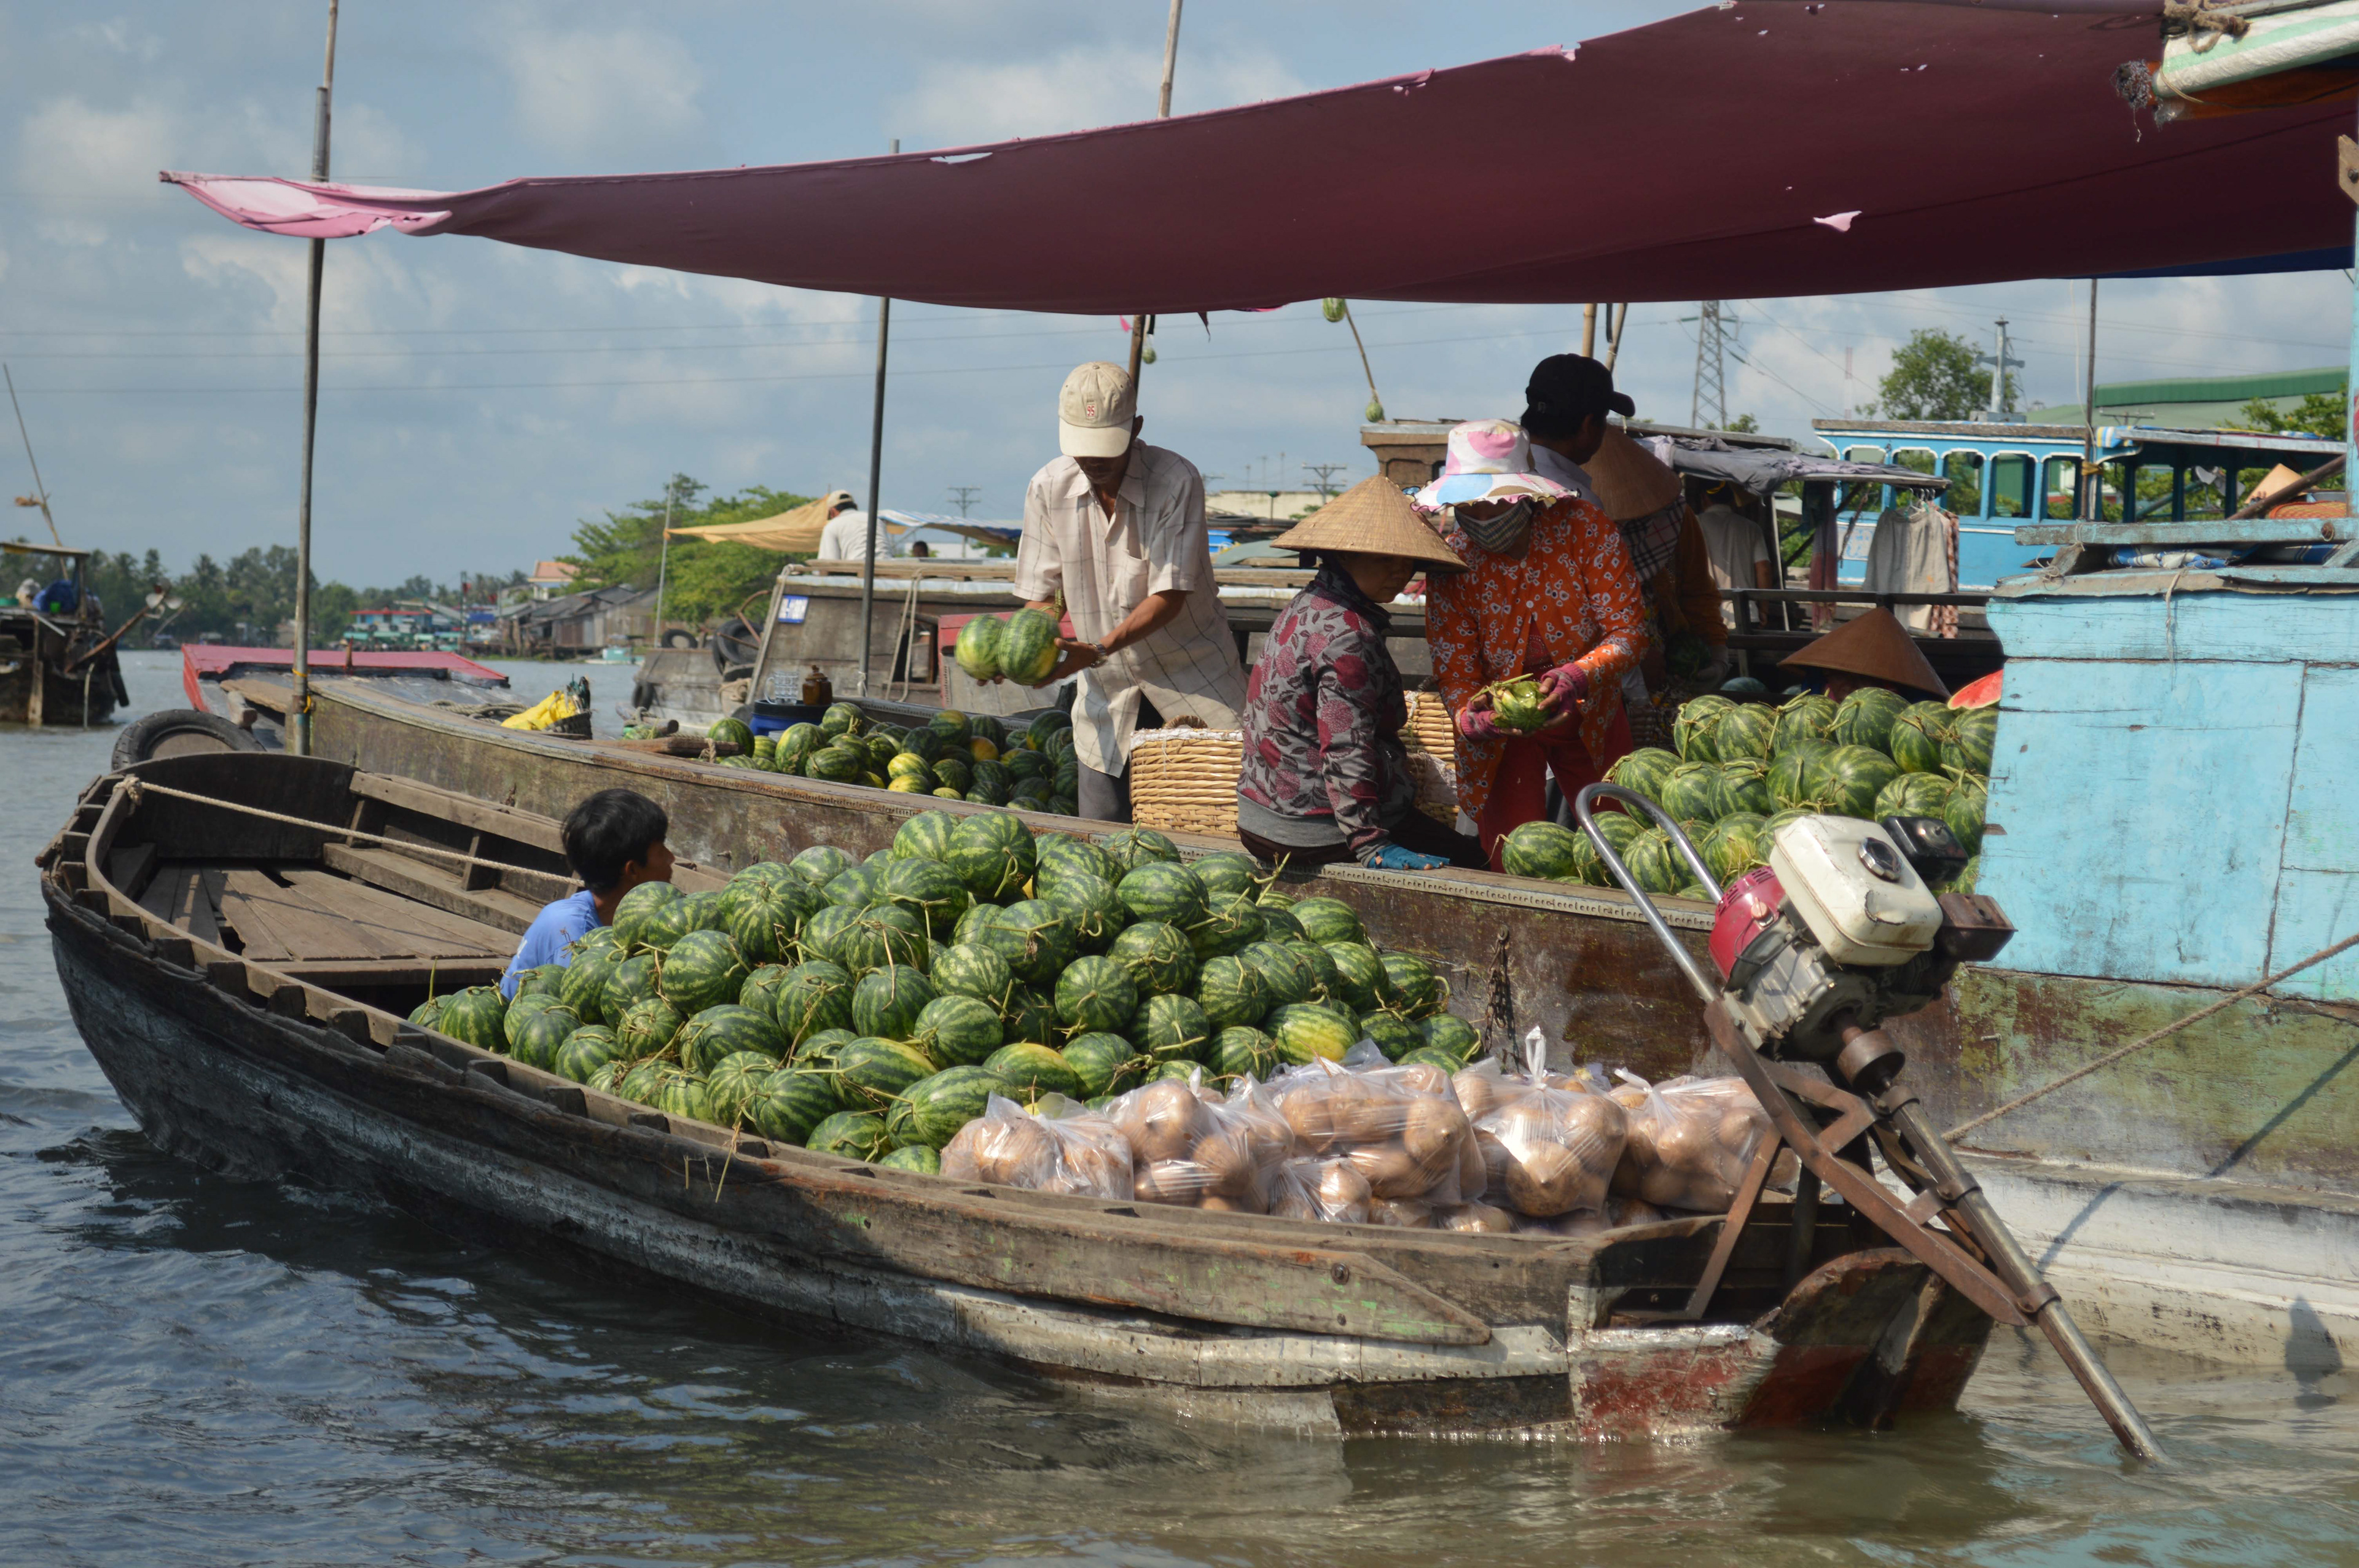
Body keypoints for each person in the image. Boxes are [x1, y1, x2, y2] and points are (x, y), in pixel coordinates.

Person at [1012, 361, 1247, 822]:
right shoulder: (1047, 488)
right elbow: (1043, 597)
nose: (1094, 460)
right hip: (1108, 697)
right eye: (1083, 448)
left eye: (1106, 448)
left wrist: (1096, 648)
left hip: (1193, 686)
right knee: (1101, 848)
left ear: (1136, 427)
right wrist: (1020, 656)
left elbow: (1169, 595)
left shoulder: (1176, 482)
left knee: (1205, 839)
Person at [1420, 416, 1648, 868]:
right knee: (1513, 854)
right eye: (1470, 504)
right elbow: (1456, 668)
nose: (1482, 516)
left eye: (1496, 502)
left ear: (1526, 494)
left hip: (1592, 709)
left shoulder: (1586, 529)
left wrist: (1576, 675)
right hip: (1502, 729)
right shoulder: (1454, 561)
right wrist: (1468, 716)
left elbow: (1628, 631)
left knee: (1620, 845)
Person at [1236, 476, 1486, 871]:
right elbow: (1345, 747)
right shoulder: (1350, 635)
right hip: (1313, 829)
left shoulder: (1307, 604)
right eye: (1385, 558)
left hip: (1259, 819)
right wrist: (1369, 843)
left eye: (1407, 561)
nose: (1400, 572)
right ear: (1346, 555)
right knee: (1477, 865)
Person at [498, 788, 675, 997]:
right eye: (661, 849)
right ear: (633, 870)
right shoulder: (572, 935)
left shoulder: (626, 921)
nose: (671, 858)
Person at [1778, 605, 1949, 703]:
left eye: (1863, 677)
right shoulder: (1816, 688)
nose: (1853, 686)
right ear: (1827, 673)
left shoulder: (1899, 699)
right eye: (1843, 675)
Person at [1694, 482, 1777, 628]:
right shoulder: (1751, 528)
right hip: (1746, 614)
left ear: (1704, 498)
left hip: (1705, 614)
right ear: (1732, 500)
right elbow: (1764, 569)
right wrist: (1763, 609)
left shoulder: (1694, 525)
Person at [816, 491, 876, 562]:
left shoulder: (833, 526)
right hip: (887, 568)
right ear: (855, 507)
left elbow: (827, 563)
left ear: (832, 512)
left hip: (860, 570)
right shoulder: (874, 520)